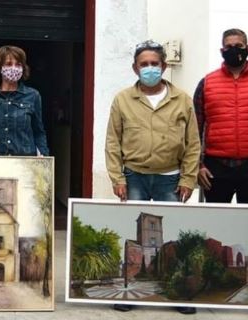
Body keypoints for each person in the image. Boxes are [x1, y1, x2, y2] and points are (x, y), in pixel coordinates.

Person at [105, 40, 201, 315]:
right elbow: (113, 141)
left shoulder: (181, 99)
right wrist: (117, 177)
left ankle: (179, 292)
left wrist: (188, 179)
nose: (149, 69)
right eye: (144, 64)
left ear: (164, 66)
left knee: (172, 239)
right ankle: (129, 292)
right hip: (134, 177)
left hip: (170, 179)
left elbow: (193, 143)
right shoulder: (123, 99)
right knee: (135, 240)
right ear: (135, 68)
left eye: (154, 64)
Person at [194, 28, 248, 204]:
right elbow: (193, 129)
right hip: (215, 167)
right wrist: (197, 165)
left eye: (238, 46)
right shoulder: (207, 82)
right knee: (215, 224)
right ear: (222, 51)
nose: (234, 49)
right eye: (229, 46)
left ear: (247, 48)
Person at [0, 45, 49, 156]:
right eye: (8, 64)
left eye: (18, 64)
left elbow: (39, 131)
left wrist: (44, 157)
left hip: (25, 162)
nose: (14, 68)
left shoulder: (33, 95)